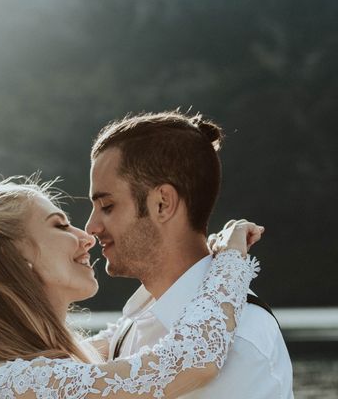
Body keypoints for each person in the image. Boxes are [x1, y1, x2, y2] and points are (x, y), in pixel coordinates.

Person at [0, 175, 263, 398]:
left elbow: (117, 336)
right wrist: (230, 259)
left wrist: (196, 262)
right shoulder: (14, 385)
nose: (87, 237)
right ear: (13, 256)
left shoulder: (19, 366)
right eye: (60, 226)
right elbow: (193, 359)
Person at [85, 110, 294, 399]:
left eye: (107, 206)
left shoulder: (242, 344)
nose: (90, 227)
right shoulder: (131, 326)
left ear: (162, 204)